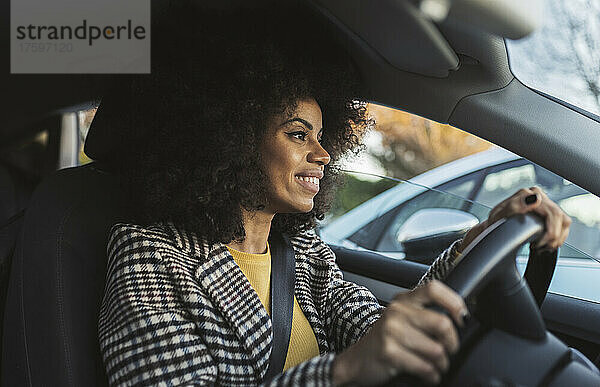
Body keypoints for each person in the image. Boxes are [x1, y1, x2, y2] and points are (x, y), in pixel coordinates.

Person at [97, 4, 571, 386]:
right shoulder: (150, 255)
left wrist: (483, 235)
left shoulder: (297, 247)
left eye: (324, 136)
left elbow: (376, 327)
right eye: (298, 134)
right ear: (232, 138)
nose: (324, 154)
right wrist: (341, 372)